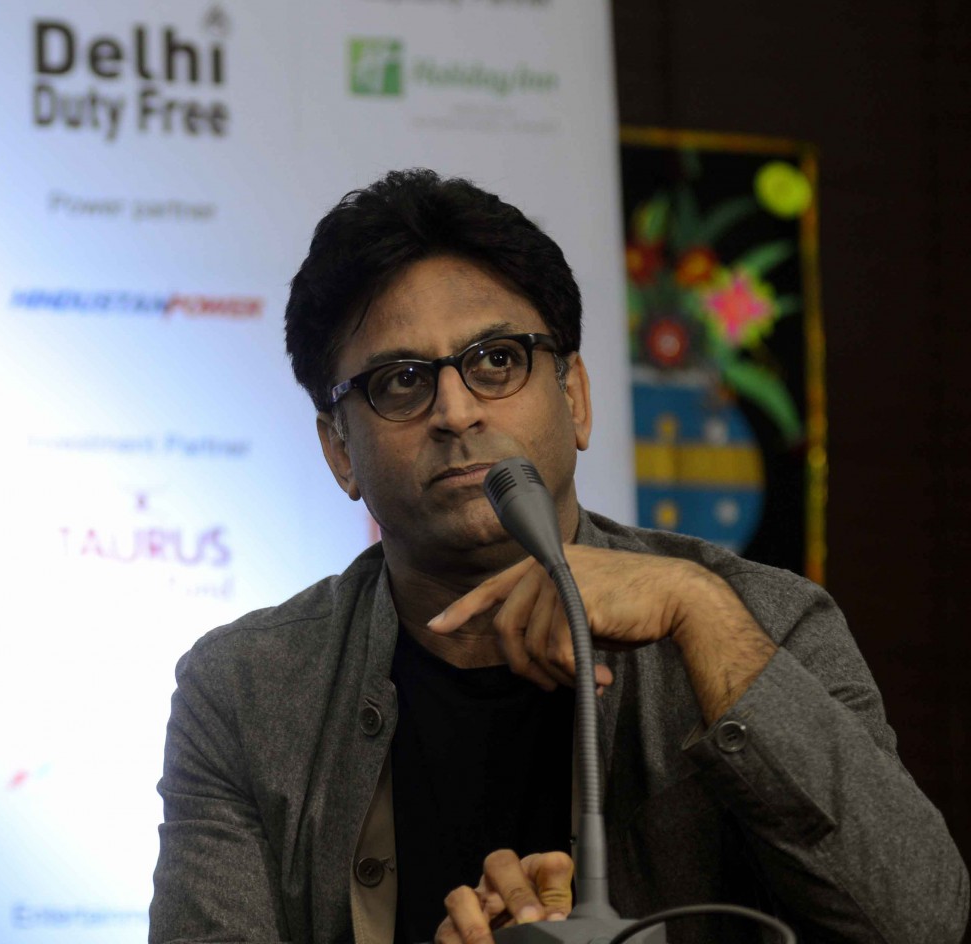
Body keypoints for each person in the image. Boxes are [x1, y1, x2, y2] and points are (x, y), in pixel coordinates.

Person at [147, 168, 967, 944]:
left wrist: (698, 612)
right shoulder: (246, 690)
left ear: (573, 398)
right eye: (401, 380)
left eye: (496, 360)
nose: (456, 411)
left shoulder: (763, 621)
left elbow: (922, 918)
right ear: (340, 451)